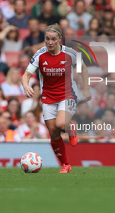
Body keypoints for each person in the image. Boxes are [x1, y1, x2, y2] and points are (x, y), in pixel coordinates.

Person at [21, 23, 91, 173]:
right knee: (53, 133)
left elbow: (83, 68)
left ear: (60, 39)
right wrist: (26, 86)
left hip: (67, 95)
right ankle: (65, 164)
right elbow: (26, 75)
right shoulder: (40, 55)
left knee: (60, 125)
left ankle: (70, 126)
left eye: (53, 39)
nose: (50, 42)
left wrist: (86, 88)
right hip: (48, 98)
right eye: (47, 39)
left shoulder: (70, 53)